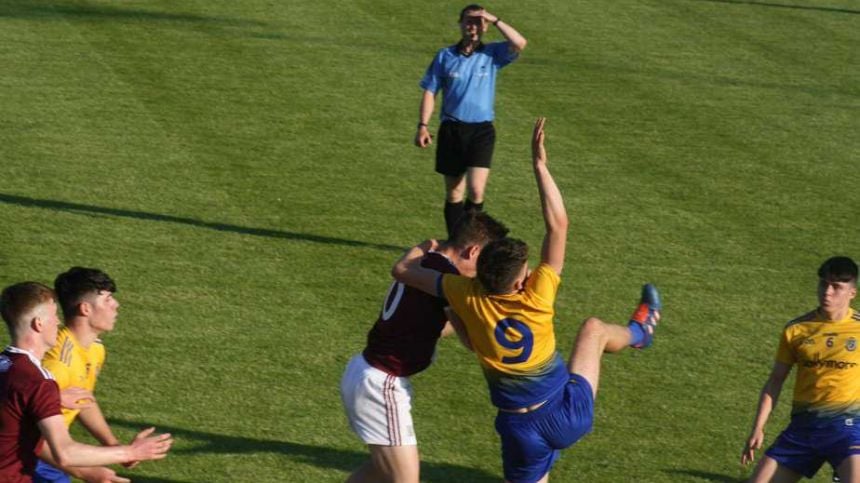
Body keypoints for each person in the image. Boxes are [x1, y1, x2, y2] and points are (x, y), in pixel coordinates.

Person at [393, 118, 662, 482]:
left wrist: (426, 248)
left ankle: (640, 330)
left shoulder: (464, 293)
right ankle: (640, 331)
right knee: (594, 330)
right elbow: (559, 225)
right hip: (566, 411)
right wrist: (540, 166)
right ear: (520, 283)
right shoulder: (538, 294)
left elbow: (404, 271)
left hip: (520, 430)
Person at [341, 210, 509, 483]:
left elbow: (436, 327)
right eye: (484, 262)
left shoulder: (427, 264)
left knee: (383, 471)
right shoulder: (444, 277)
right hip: (381, 384)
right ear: (473, 251)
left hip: (367, 372)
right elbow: (469, 338)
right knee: (405, 479)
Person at [0, 282, 172, 482]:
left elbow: (13, 403)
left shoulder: (6, 365)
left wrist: (55, 399)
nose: (58, 322)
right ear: (39, 324)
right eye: (55, 315)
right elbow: (65, 453)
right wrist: (131, 452)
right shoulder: (40, 381)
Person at [741, 256, 860, 483]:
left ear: (852, 293)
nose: (827, 292)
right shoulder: (797, 329)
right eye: (823, 284)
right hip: (804, 428)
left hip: (848, 428)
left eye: (836, 287)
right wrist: (758, 428)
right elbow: (775, 381)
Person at [414, 4, 527, 237]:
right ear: (460, 24)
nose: (472, 26)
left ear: (485, 26)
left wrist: (494, 19)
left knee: (476, 191)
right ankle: (455, 242)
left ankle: (469, 240)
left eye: (478, 22)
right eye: (468, 21)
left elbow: (520, 43)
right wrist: (423, 126)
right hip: (452, 129)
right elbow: (430, 92)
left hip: (481, 131)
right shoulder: (445, 56)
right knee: (454, 193)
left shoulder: (493, 54)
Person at [35, 267, 134, 483]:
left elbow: (83, 399)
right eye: (108, 299)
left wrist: (112, 444)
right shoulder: (58, 364)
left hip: (53, 450)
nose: (116, 305)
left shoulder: (95, 349)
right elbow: (21, 429)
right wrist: (83, 471)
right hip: (28, 455)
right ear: (85, 309)